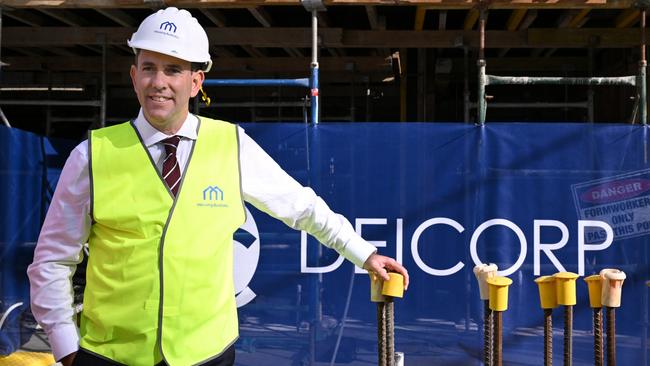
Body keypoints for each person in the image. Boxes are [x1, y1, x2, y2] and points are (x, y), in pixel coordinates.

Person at [27, 7, 408, 366]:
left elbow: (302, 207)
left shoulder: (232, 146)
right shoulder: (93, 155)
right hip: (111, 356)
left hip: (207, 354)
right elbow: (53, 259)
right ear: (133, 76)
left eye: (173, 70)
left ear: (195, 82)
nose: (158, 82)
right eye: (149, 68)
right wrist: (65, 345)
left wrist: (363, 253)